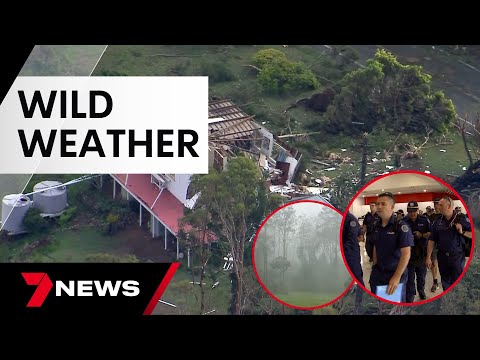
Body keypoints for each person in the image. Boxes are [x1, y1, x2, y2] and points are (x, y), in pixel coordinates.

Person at [369, 192, 413, 302]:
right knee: (378, 306)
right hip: (378, 274)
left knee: (392, 308)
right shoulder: (375, 225)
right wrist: (375, 263)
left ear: (392, 207)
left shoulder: (401, 226)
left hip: (393, 274)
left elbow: (406, 254)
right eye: (377, 204)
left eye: (383, 204)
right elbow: (375, 245)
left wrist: (396, 277)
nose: (379, 207)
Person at [426, 196, 473, 291]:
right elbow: (432, 240)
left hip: (457, 257)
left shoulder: (462, 219)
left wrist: (462, 232)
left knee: (457, 283)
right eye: (438, 205)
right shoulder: (437, 222)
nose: (438, 207)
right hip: (442, 257)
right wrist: (428, 257)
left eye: (441, 205)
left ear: (449, 206)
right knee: (445, 283)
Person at [404, 200, 431, 302]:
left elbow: (430, 234)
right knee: (409, 279)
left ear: (417, 210)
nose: (412, 213)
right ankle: (410, 296)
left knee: (421, 276)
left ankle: (421, 291)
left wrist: (422, 235)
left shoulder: (424, 220)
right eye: (410, 211)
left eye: (414, 211)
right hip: (409, 255)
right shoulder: (404, 221)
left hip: (421, 253)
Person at [342, 212, 365, 312]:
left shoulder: (350, 219)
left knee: (357, 278)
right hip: (346, 253)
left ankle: (360, 305)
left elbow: (354, 240)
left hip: (351, 255)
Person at [427, 198, 442, 292]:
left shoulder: (445, 215)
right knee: (434, 262)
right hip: (433, 243)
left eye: (437, 203)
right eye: (435, 203)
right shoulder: (430, 217)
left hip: (445, 243)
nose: (436, 205)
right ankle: (435, 281)